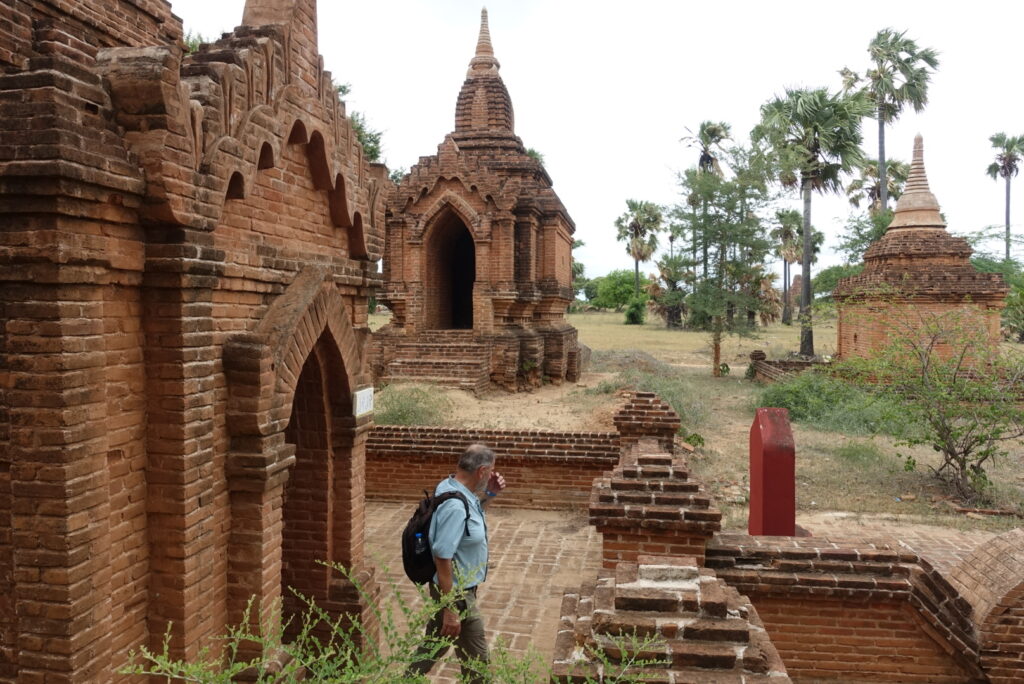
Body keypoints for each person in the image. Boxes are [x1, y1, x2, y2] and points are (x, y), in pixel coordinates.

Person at [407, 443, 507, 683]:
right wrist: (450, 609)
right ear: (482, 471)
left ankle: (405, 679)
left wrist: (490, 495)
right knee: (478, 663)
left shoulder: (453, 486)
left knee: (435, 644)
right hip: (457, 594)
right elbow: (442, 556)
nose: (492, 474)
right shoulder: (455, 504)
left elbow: (471, 518)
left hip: (456, 591)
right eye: (491, 471)